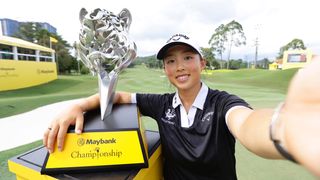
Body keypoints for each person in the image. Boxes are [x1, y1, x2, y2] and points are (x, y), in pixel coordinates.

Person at [43, 33, 320, 179]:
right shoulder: (162, 104)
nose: (180, 67)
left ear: (202, 63)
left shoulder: (222, 103)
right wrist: (79, 106)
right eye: (171, 61)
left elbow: (247, 124)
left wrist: (282, 129)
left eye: (188, 57)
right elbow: (119, 96)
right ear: (165, 68)